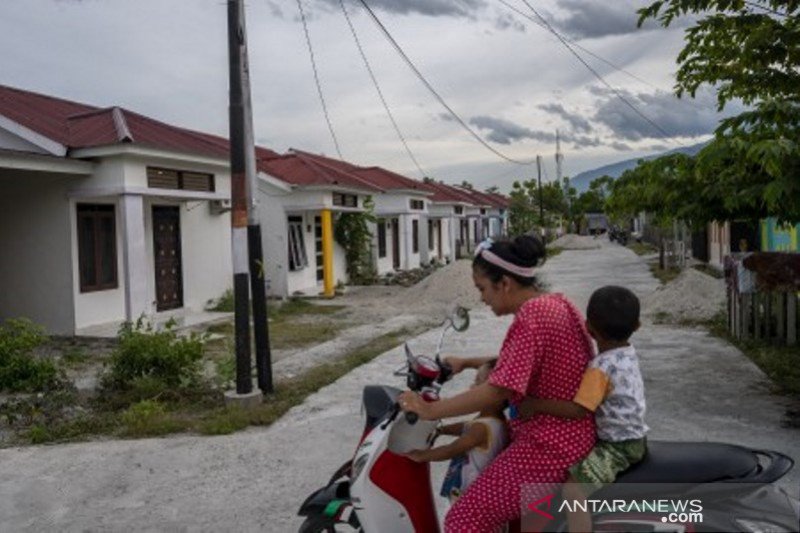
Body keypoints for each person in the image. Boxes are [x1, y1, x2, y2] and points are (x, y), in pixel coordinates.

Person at [399, 235, 596, 532]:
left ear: (504, 283)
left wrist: (432, 411)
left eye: (482, 289)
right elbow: (526, 361)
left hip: (549, 446)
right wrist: (467, 362)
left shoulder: (531, 316)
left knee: (464, 519)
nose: (482, 298)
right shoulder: (555, 303)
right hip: (568, 436)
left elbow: (500, 388)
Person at [518, 285, 648, 532]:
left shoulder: (600, 367)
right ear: (637, 326)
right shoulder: (627, 353)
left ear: (588, 328)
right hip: (631, 436)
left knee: (573, 489)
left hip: (618, 446)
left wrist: (535, 404)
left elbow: (579, 410)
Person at [404, 360, 508, 503]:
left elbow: (451, 450)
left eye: (478, 384)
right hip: (472, 490)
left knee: (458, 520)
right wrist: (442, 430)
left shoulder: (482, 429)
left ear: (497, 396)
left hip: (469, 495)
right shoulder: (493, 420)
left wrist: (421, 456)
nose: (472, 387)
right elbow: (466, 426)